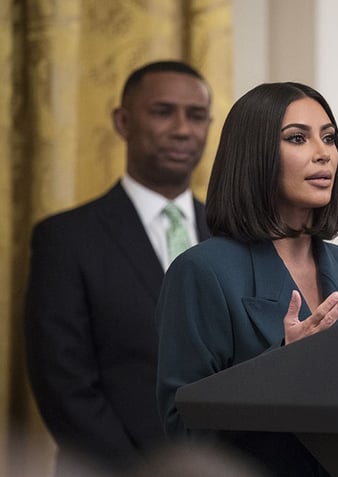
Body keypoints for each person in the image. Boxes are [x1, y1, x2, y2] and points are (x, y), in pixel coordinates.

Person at [155, 82, 338, 476]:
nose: (323, 153)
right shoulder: (202, 272)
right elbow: (182, 432)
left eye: (329, 138)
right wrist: (284, 369)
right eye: (297, 138)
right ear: (254, 156)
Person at [24, 60, 213, 474]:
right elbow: (64, 385)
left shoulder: (232, 235)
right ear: (123, 122)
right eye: (163, 112)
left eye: (196, 115)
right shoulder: (66, 238)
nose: (183, 129)